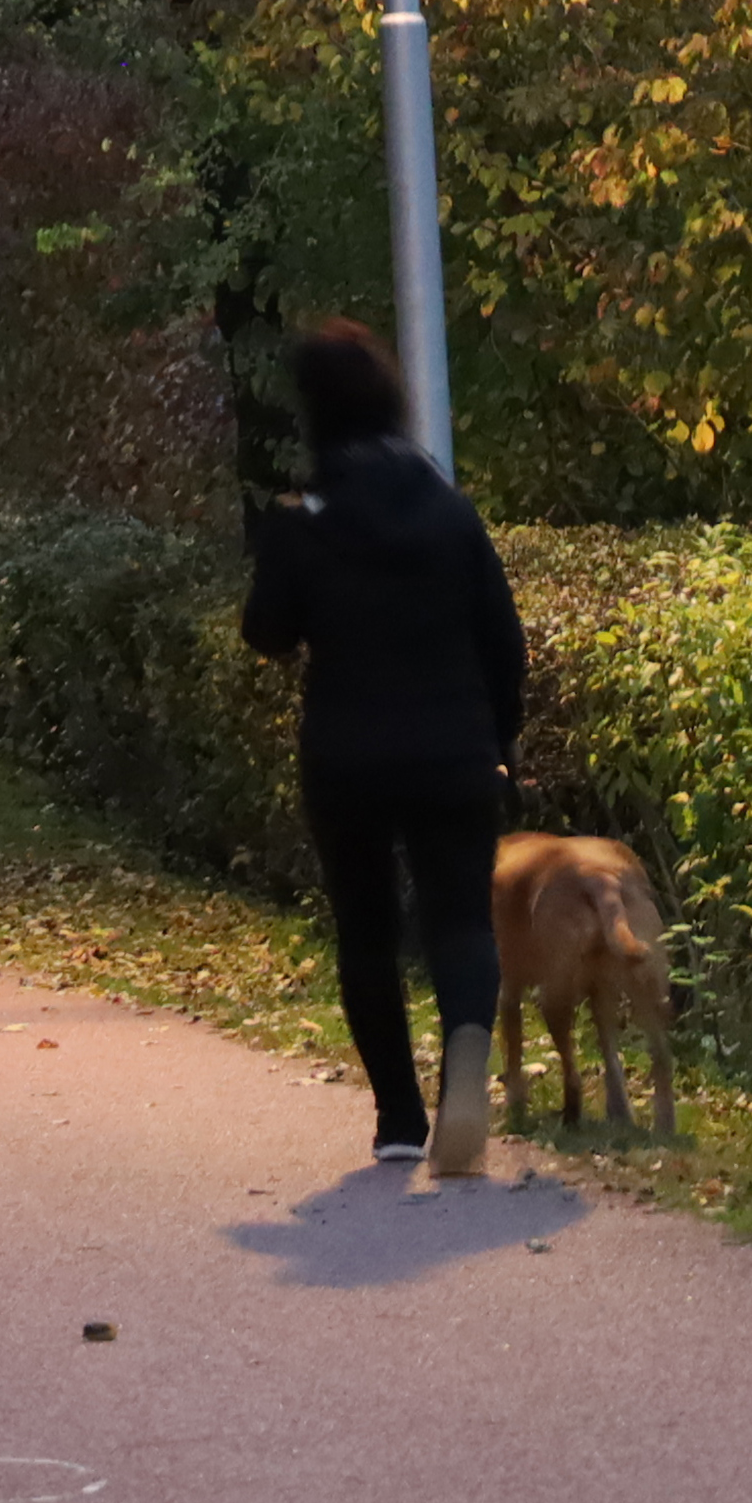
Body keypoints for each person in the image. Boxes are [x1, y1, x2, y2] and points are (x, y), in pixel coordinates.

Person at [242, 318, 527, 1182]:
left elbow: (265, 634)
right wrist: (497, 741)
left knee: (365, 931)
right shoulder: (450, 512)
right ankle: (466, 1072)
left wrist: (283, 557)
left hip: (347, 756)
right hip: (451, 750)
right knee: (459, 921)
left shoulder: (307, 522)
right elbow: (502, 641)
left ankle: (398, 1120)